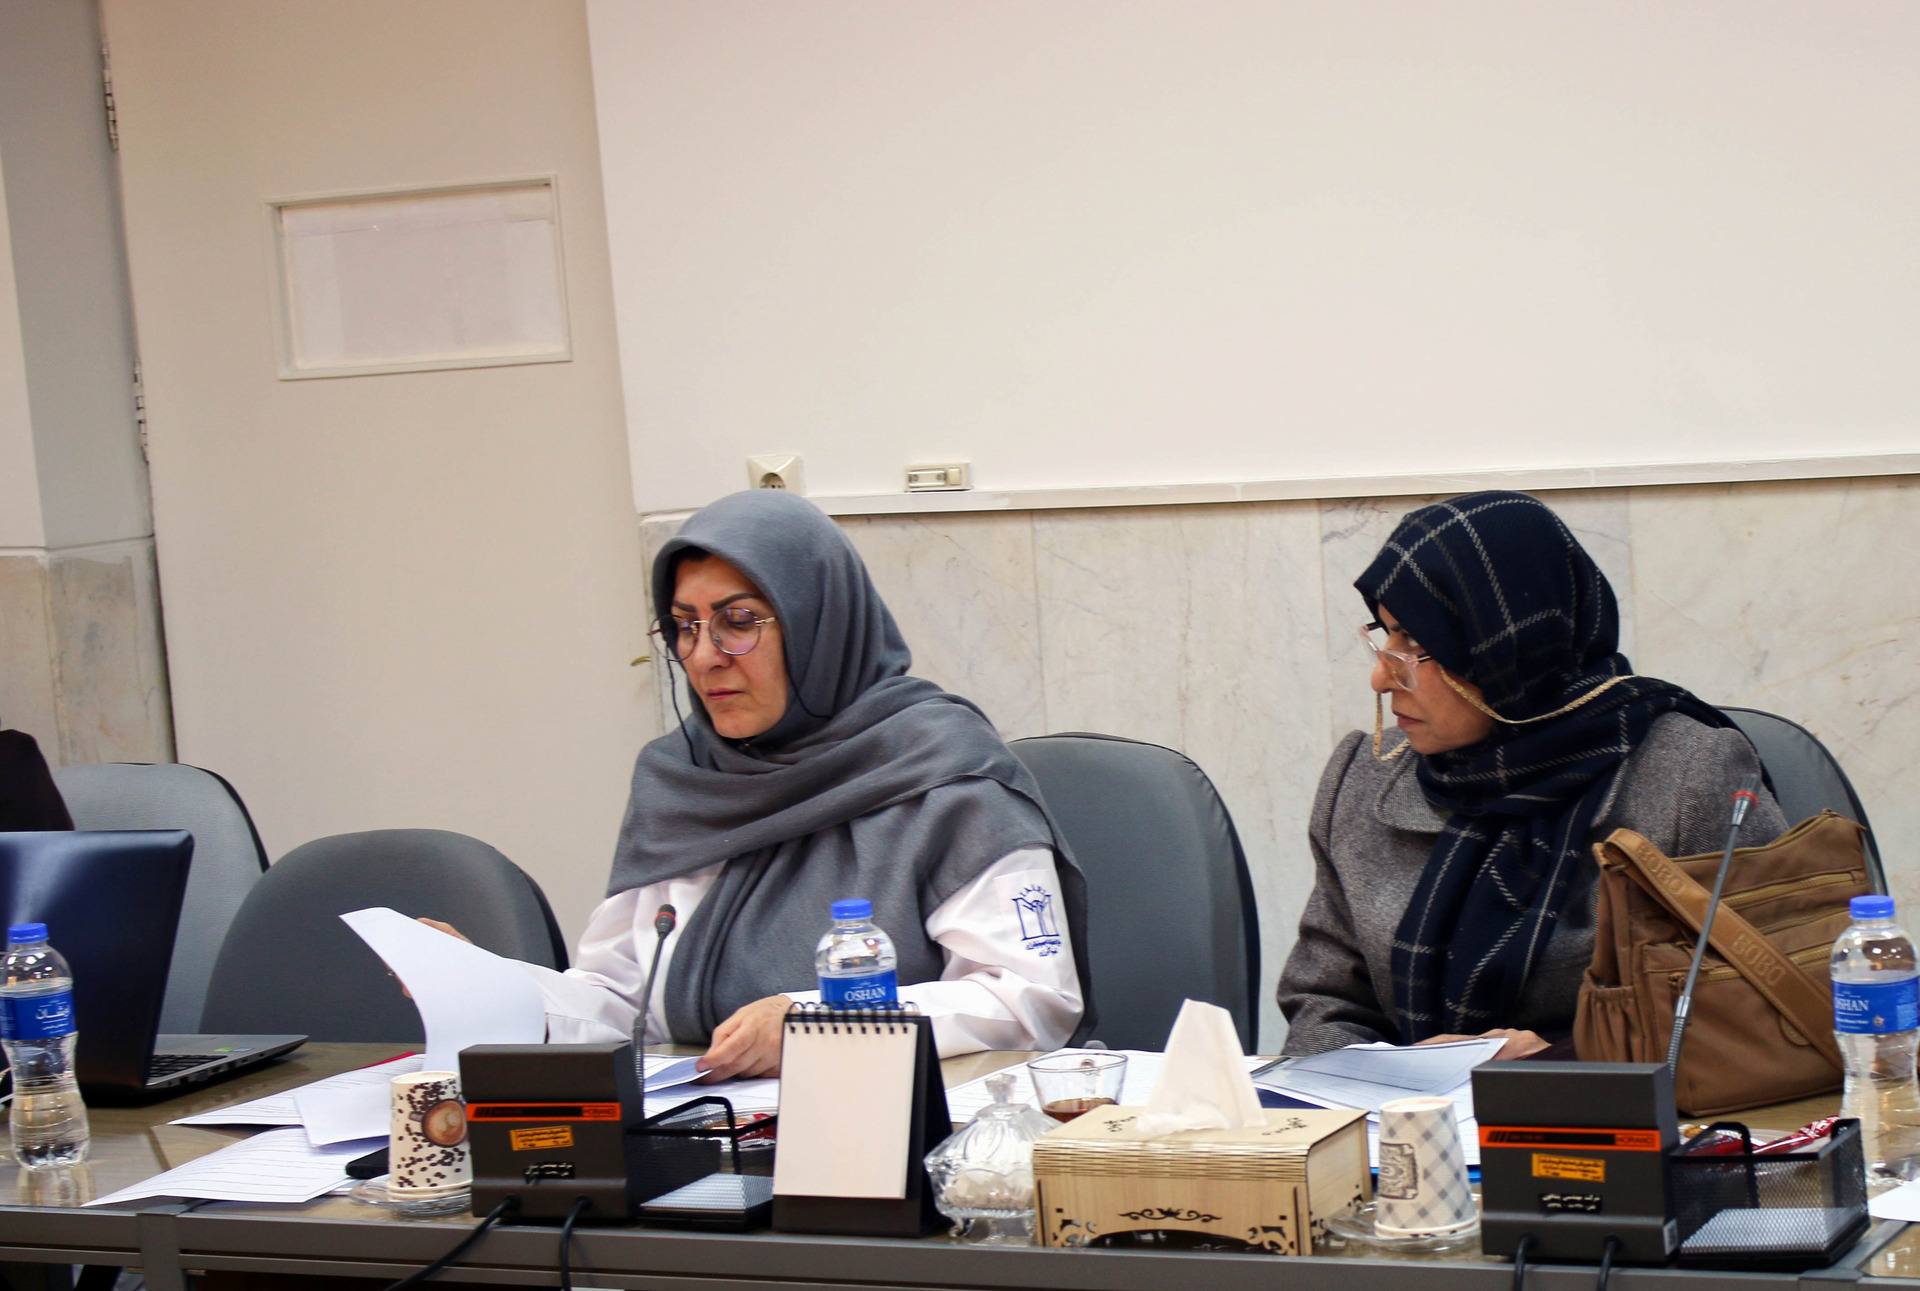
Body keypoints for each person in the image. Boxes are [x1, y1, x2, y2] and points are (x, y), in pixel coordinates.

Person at [491, 489, 1091, 1081]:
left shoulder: (946, 772)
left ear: (818, 625)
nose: (703, 657)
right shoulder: (683, 780)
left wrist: (821, 1024)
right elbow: (624, 1001)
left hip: (899, 1122)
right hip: (709, 1126)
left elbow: (1030, 999)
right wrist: (493, 990)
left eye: (737, 622)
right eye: (685, 627)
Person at [1277, 491, 1786, 1060]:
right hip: (1407, 1115)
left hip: (1610, 1112)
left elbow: (1761, 1009)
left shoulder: (1688, 775)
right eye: (1384, 633)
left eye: (1415, 642)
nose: (1380, 677)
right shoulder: (1366, 776)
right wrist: (1393, 1083)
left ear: (1507, 644)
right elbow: (1325, 1004)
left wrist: (1561, 1069)